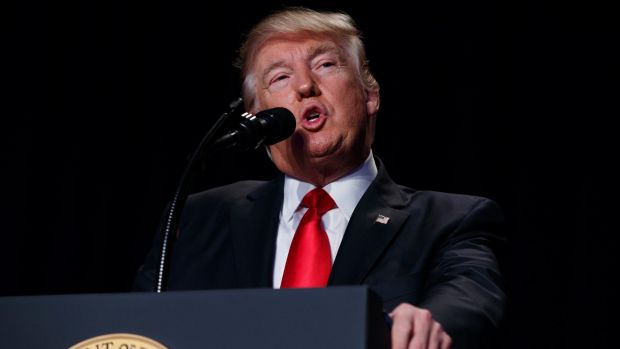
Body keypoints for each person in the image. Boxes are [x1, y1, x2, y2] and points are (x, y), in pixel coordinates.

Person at [134, 7, 506, 349]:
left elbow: (470, 297)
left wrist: (429, 323)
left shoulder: (449, 220)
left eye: (326, 65)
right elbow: (133, 330)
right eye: (280, 76)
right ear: (255, 115)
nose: (305, 86)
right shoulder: (197, 219)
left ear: (370, 95)